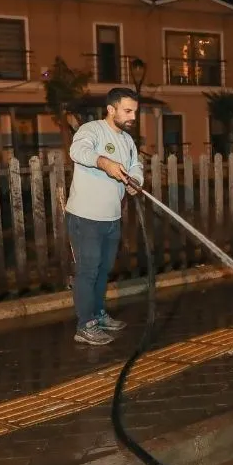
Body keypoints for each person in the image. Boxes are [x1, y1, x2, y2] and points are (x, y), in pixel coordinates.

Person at [66, 87, 143, 345]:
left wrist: (135, 181)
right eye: (128, 110)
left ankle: (98, 315)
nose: (133, 116)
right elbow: (77, 152)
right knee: (87, 271)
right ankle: (84, 326)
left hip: (111, 218)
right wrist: (104, 162)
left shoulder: (128, 141)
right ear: (111, 109)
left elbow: (136, 166)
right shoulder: (91, 130)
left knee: (103, 270)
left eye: (135, 111)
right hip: (85, 216)